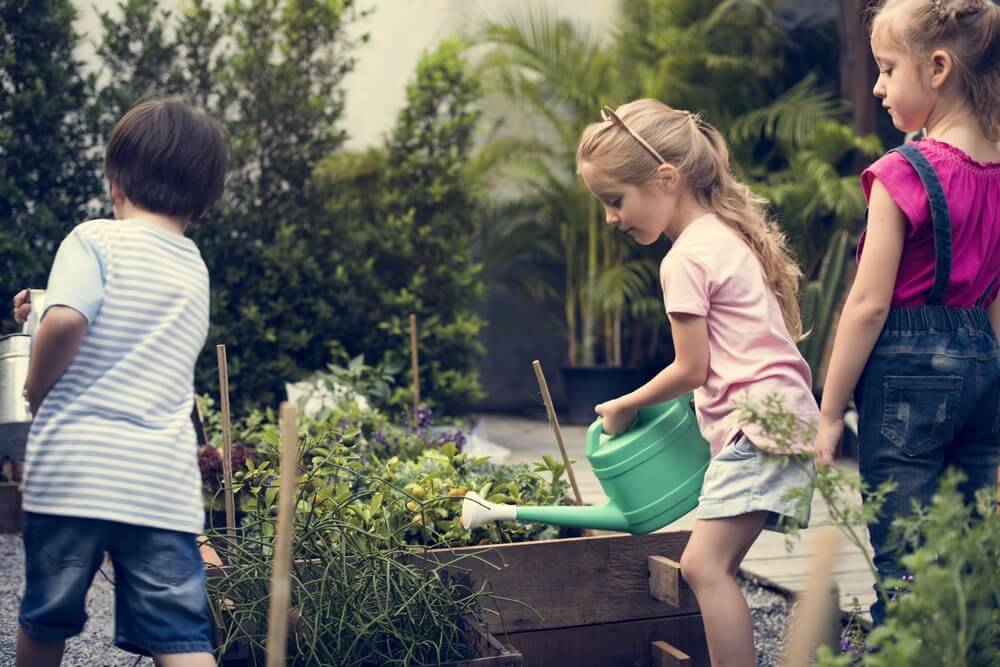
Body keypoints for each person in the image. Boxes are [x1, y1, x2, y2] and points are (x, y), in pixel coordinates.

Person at [577, 99, 818, 667]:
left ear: (666, 179)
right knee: (714, 566)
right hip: (779, 419)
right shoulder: (725, 234)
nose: (611, 217)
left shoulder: (683, 259)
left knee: (703, 567)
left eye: (615, 200)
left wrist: (623, 405)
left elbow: (693, 369)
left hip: (757, 427)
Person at [12, 97, 227, 667]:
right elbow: (129, 334)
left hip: (75, 472)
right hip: (159, 484)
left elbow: (69, 321)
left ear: (115, 182)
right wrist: (43, 306)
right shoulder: (192, 267)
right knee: (180, 635)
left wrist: (36, 385)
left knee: (47, 614)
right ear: (205, 202)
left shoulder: (93, 240)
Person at [814, 0, 1000, 625]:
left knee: (907, 556)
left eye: (889, 69)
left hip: (906, 377)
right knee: (971, 544)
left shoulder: (903, 172)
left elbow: (867, 306)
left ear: (939, 68)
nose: (877, 85)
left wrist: (830, 410)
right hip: (983, 368)